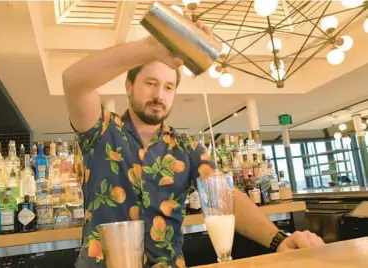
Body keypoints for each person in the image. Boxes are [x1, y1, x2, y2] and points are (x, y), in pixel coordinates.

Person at [63, 18, 324, 268]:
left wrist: (279, 239)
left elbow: (225, 196)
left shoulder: (186, 148)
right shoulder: (100, 131)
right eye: (150, 83)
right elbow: (74, 81)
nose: (159, 95)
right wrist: (150, 49)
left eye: (168, 87)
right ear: (129, 86)